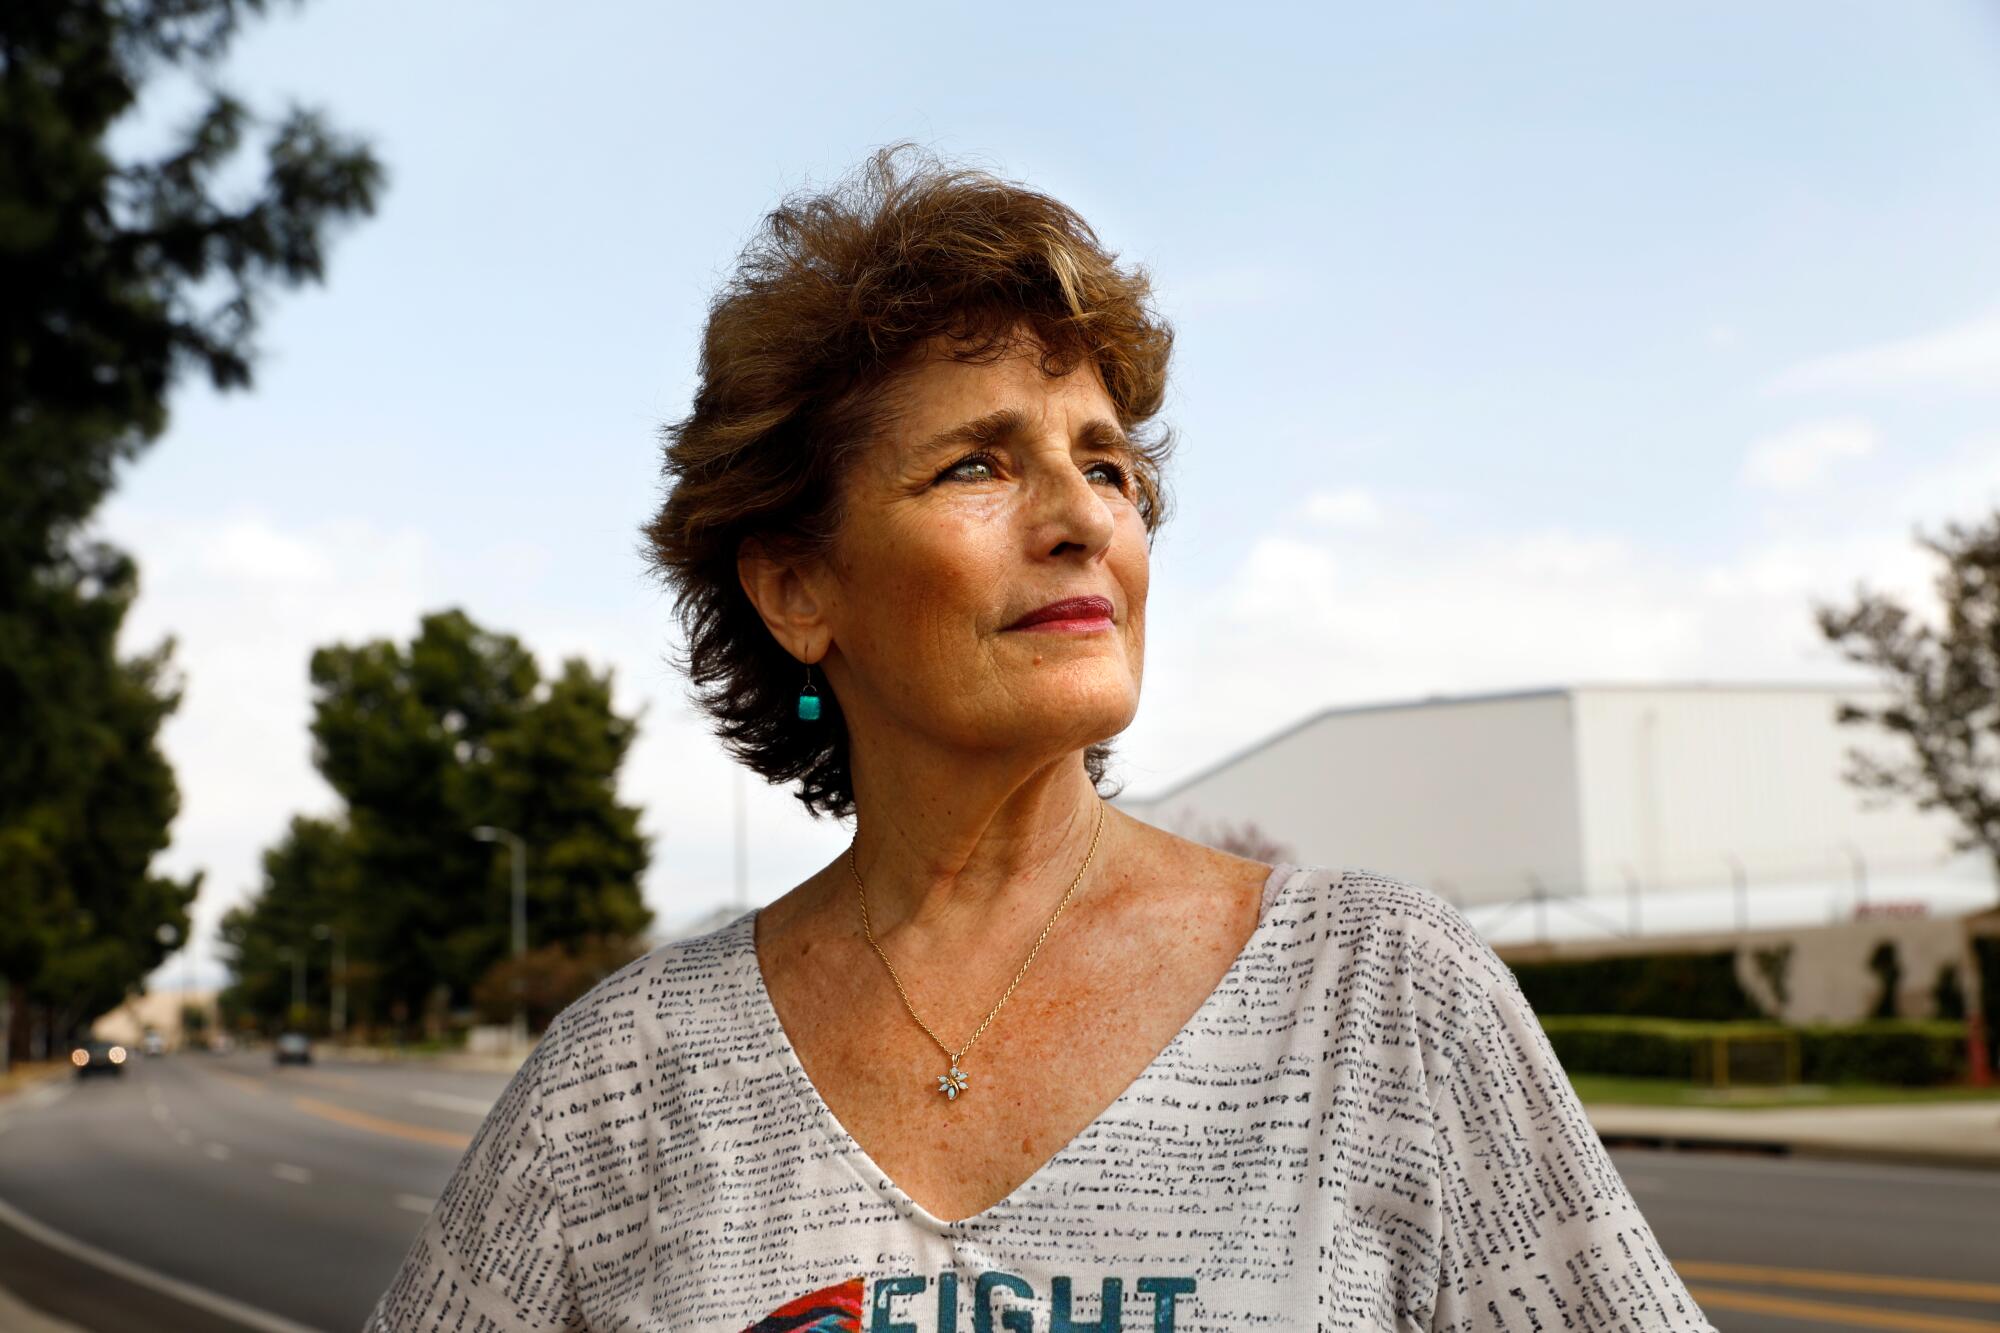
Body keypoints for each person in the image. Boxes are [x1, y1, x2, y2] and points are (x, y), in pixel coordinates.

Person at [365, 145, 1717, 1333]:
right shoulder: (626, 1086)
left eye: (1110, 465)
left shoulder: (1377, 999)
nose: (1086, 519)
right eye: (979, 464)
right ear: (796, 587)